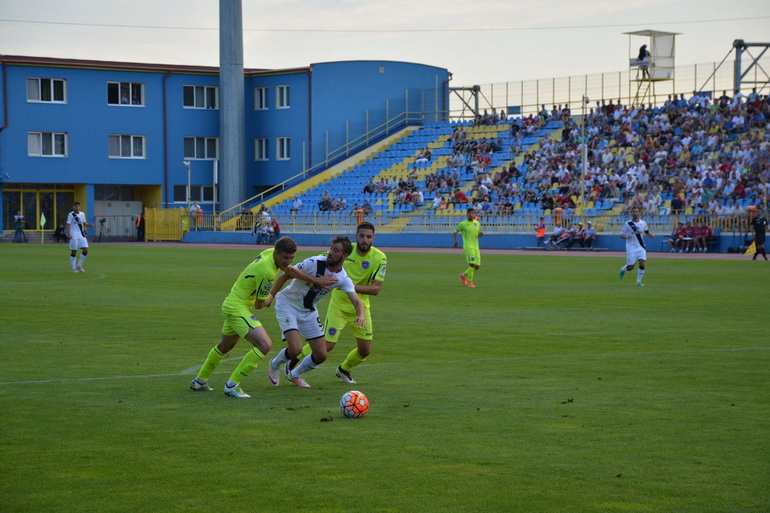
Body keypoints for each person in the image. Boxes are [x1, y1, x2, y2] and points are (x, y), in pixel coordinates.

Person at [189, 237, 336, 398]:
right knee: (264, 344)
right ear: (276, 253)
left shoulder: (269, 254)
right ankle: (232, 385)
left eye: (291, 258)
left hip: (235, 303)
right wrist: (271, 296)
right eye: (285, 258)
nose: (287, 262)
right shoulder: (267, 272)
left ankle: (199, 381)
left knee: (225, 346)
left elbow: (290, 271)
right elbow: (260, 305)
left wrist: (315, 280)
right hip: (237, 307)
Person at [286, 222, 387, 385]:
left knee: (365, 350)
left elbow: (375, 289)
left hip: (360, 307)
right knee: (327, 346)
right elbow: (322, 261)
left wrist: (345, 285)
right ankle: (293, 360)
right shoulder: (344, 251)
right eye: (361, 236)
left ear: (373, 238)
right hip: (338, 307)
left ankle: (343, 369)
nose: (364, 240)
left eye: (368, 237)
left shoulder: (380, 257)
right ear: (356, 236)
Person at [267, 236, 366, 388]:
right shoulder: (314, 262)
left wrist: (361, 315)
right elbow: (287, 273)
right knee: (295, 349)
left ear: (345, 255)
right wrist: (271, 296)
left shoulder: (342, 278)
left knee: (321, 355)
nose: (330, 252)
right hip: (288, 304)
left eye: (336, 250)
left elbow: (357, 301)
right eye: (331, 248)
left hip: (308, 311)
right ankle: (274, 364)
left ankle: (295, 374)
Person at [619, 206, 654, 287]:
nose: (635, 213)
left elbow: (646, 232)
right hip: (631, 248)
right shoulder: (628, 224)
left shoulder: (643, 223)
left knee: (642, 263)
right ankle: (623, 269)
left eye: (636, 211)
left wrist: (650, 235)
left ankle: (638, 282)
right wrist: (626, 237)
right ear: (631, 213)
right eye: (633, 211)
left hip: (641, 247)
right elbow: (621, 234)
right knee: (631, 267)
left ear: (639, 213)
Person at [453, 207, 483, 288]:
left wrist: (480, 235)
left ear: (474, 214)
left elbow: (477, 234)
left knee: (477, 267)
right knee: (472, 264)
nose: (471, 214)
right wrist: (456, 241)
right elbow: (455, 232)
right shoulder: (463, 224)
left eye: (472, 213)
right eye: (469, 213)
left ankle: (463, 275)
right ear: (466, 214)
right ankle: (470, 282)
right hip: (468, 246)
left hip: (476, 246)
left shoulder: (477, 223)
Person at [66, 202, 94, 272]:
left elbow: (84, 223)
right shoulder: (71, 214)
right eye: (75, 206)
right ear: (73, 207)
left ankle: (79, 265)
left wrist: (89, 225)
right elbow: (68, 224)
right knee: (74, 251)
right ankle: (73, 267)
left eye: (78, 206)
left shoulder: (82, 214)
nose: (77, 208)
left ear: (80, 207)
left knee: (86, 249)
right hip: (73, 235)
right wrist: (69, 234)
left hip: (81, 234)